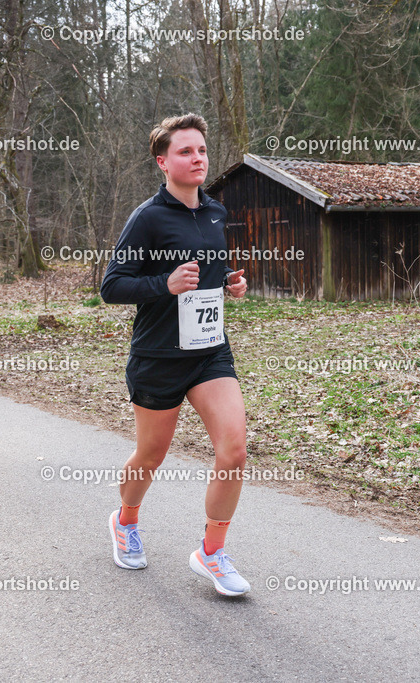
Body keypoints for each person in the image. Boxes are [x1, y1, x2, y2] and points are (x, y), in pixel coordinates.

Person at [100, 113, 251, 596]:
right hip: (159, 356)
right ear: (163, 162)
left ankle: (212, 552)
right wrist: (163, 284)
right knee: (152, 452)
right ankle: (125, 521)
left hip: (209, 353)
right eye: (186, 151)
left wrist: (230, 283)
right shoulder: (147, 218)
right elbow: (112, 286)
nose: (198, 158)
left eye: (202, 150)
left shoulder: (215, 212)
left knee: (234, 450)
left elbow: (211, 266)